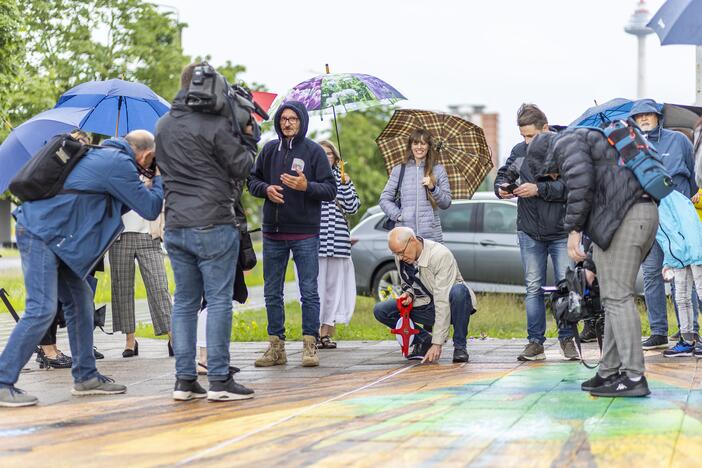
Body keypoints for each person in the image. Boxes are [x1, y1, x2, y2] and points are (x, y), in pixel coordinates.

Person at [0, 130, 164, 407]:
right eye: (152, 161)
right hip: (43, 234)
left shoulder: (102, 155)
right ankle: (3, 381)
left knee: (81, 304)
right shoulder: (117, 163)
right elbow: (150, 208)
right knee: (41, 308)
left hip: (58, 238)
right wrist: (158, 178)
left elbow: (116, 205)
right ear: (146, 155)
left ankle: (86, 377)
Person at [156, 62, 258, 402]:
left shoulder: (163, 125)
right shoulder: (217, 125)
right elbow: (245, 167)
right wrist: (248, 136)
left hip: (176, 226)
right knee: (218, 301)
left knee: (184, 302)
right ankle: (218, 379)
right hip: (214, 222)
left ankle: (184, 381)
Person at [545, 126, 658, 397]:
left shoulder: (566, 142)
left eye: (553, 174)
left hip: (629, 220)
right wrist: (593, 266)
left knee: (618, 298)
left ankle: (633, 376)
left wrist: (573, 231)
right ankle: (609, 370)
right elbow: (606, 209)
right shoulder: (598, 148)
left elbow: (581, 185)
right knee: (611, 299)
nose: (556, 178)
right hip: (638, 216)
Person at [248, 101, 336, 368]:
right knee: (272, 292)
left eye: (293, 119)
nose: (287, 123)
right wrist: (266, 190)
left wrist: (306, 185)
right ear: (278, 122)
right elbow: (251, 181)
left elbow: (330, 190)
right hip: (273, 233)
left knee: (308, 291)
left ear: (302, 122)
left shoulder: (314, 152)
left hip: (305, 233)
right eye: (283, 119)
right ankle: (276, 347)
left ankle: (310, 346)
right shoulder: (269, 150)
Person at [494, 104, 577, 361]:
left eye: (531, 136)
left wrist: (538, 189)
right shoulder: (519, 151)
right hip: (529, 231)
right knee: (533, 288)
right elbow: (504, 174)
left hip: (561, 231)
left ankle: (568, 339)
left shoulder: (565, 149)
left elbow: (572, 187)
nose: (527, 142)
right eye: (523, 137)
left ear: (545, 127)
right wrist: (502, 188)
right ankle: (535, 343)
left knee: (566, 287)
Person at [629, 100, 697, 351]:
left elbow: (692, 176)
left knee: (683, 276)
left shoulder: (678, 140)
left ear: (658, 117)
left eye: (649, 115)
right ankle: (658, 331)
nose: (644, 119)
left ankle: (689, 331)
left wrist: (686, 211)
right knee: (650, 274)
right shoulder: (631, 146)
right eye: (639, 116)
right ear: (634, 121)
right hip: (647, 219)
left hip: (677, 221)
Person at [373, 227, 475, 362]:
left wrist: (437, 343)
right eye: (395, 254)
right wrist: (409, 294)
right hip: (425, 304)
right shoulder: (402, 255)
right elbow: (408, 284)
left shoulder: (440, 255)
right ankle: (423, 340)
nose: (399, 257)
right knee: (381, 310)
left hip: (451, 307)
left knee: (459, 292)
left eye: (401, 253)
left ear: (412, 241)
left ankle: (460, 347)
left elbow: (442, 300)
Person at [109, 194, 172, 358]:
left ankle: (173, 337)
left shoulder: (153, 170)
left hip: (149, 235)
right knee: (122, 289)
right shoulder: (116, 169)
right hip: (119, 236)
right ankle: (130, 340)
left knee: (159, 287)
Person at [316, 140, 361, 348]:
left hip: (338, 242)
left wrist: (345, 185)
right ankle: (313, 331)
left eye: (329, 154)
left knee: (333, 290)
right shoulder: (310, 177)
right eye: (321, 153)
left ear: (335, 157)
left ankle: (326, 332)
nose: (326, 157)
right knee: (315, 289)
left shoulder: (342, 178)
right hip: (316, 241)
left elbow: (353, 208)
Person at [379, 128, 451, 243]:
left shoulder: (438, 170)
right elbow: (384, 199)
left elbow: (446, 203)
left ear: (428, 146)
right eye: (416, 143)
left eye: (423, 143)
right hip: (405, 238)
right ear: (410, 146)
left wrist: (433, 188)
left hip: (431, 239)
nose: (419, 147)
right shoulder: (399, 170)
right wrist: (399, 216)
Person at [655, 191, 702, 358]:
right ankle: (688, 340)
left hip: (694, 250)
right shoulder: (654, 202)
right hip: (680, 254)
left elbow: (689, 224)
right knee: (681, 297)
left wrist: (695, 253)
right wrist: (668, 260)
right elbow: (667, 236)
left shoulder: (670, 199)